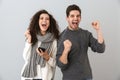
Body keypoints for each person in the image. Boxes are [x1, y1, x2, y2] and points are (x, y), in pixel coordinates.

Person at [56, 4, 105, 80]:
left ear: (80, 18)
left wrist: (98, 30)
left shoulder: (86, 34)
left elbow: (100, 49)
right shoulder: (62, 37)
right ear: (67, 18)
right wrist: (66, 50)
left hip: (87, 77)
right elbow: (61, 65)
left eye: (78, 16)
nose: (75, 18)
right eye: (72, 16)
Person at [21, 9, 59, 80]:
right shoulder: (32, 36)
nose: (44, 20)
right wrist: (29, 40)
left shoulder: (53, 40)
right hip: (29, 77)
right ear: (37, 22)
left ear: (49, 23)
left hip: (44, 77)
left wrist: (47, 57)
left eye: (47, 19)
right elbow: (26, 57)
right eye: (41, 18)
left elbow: (55, 63)